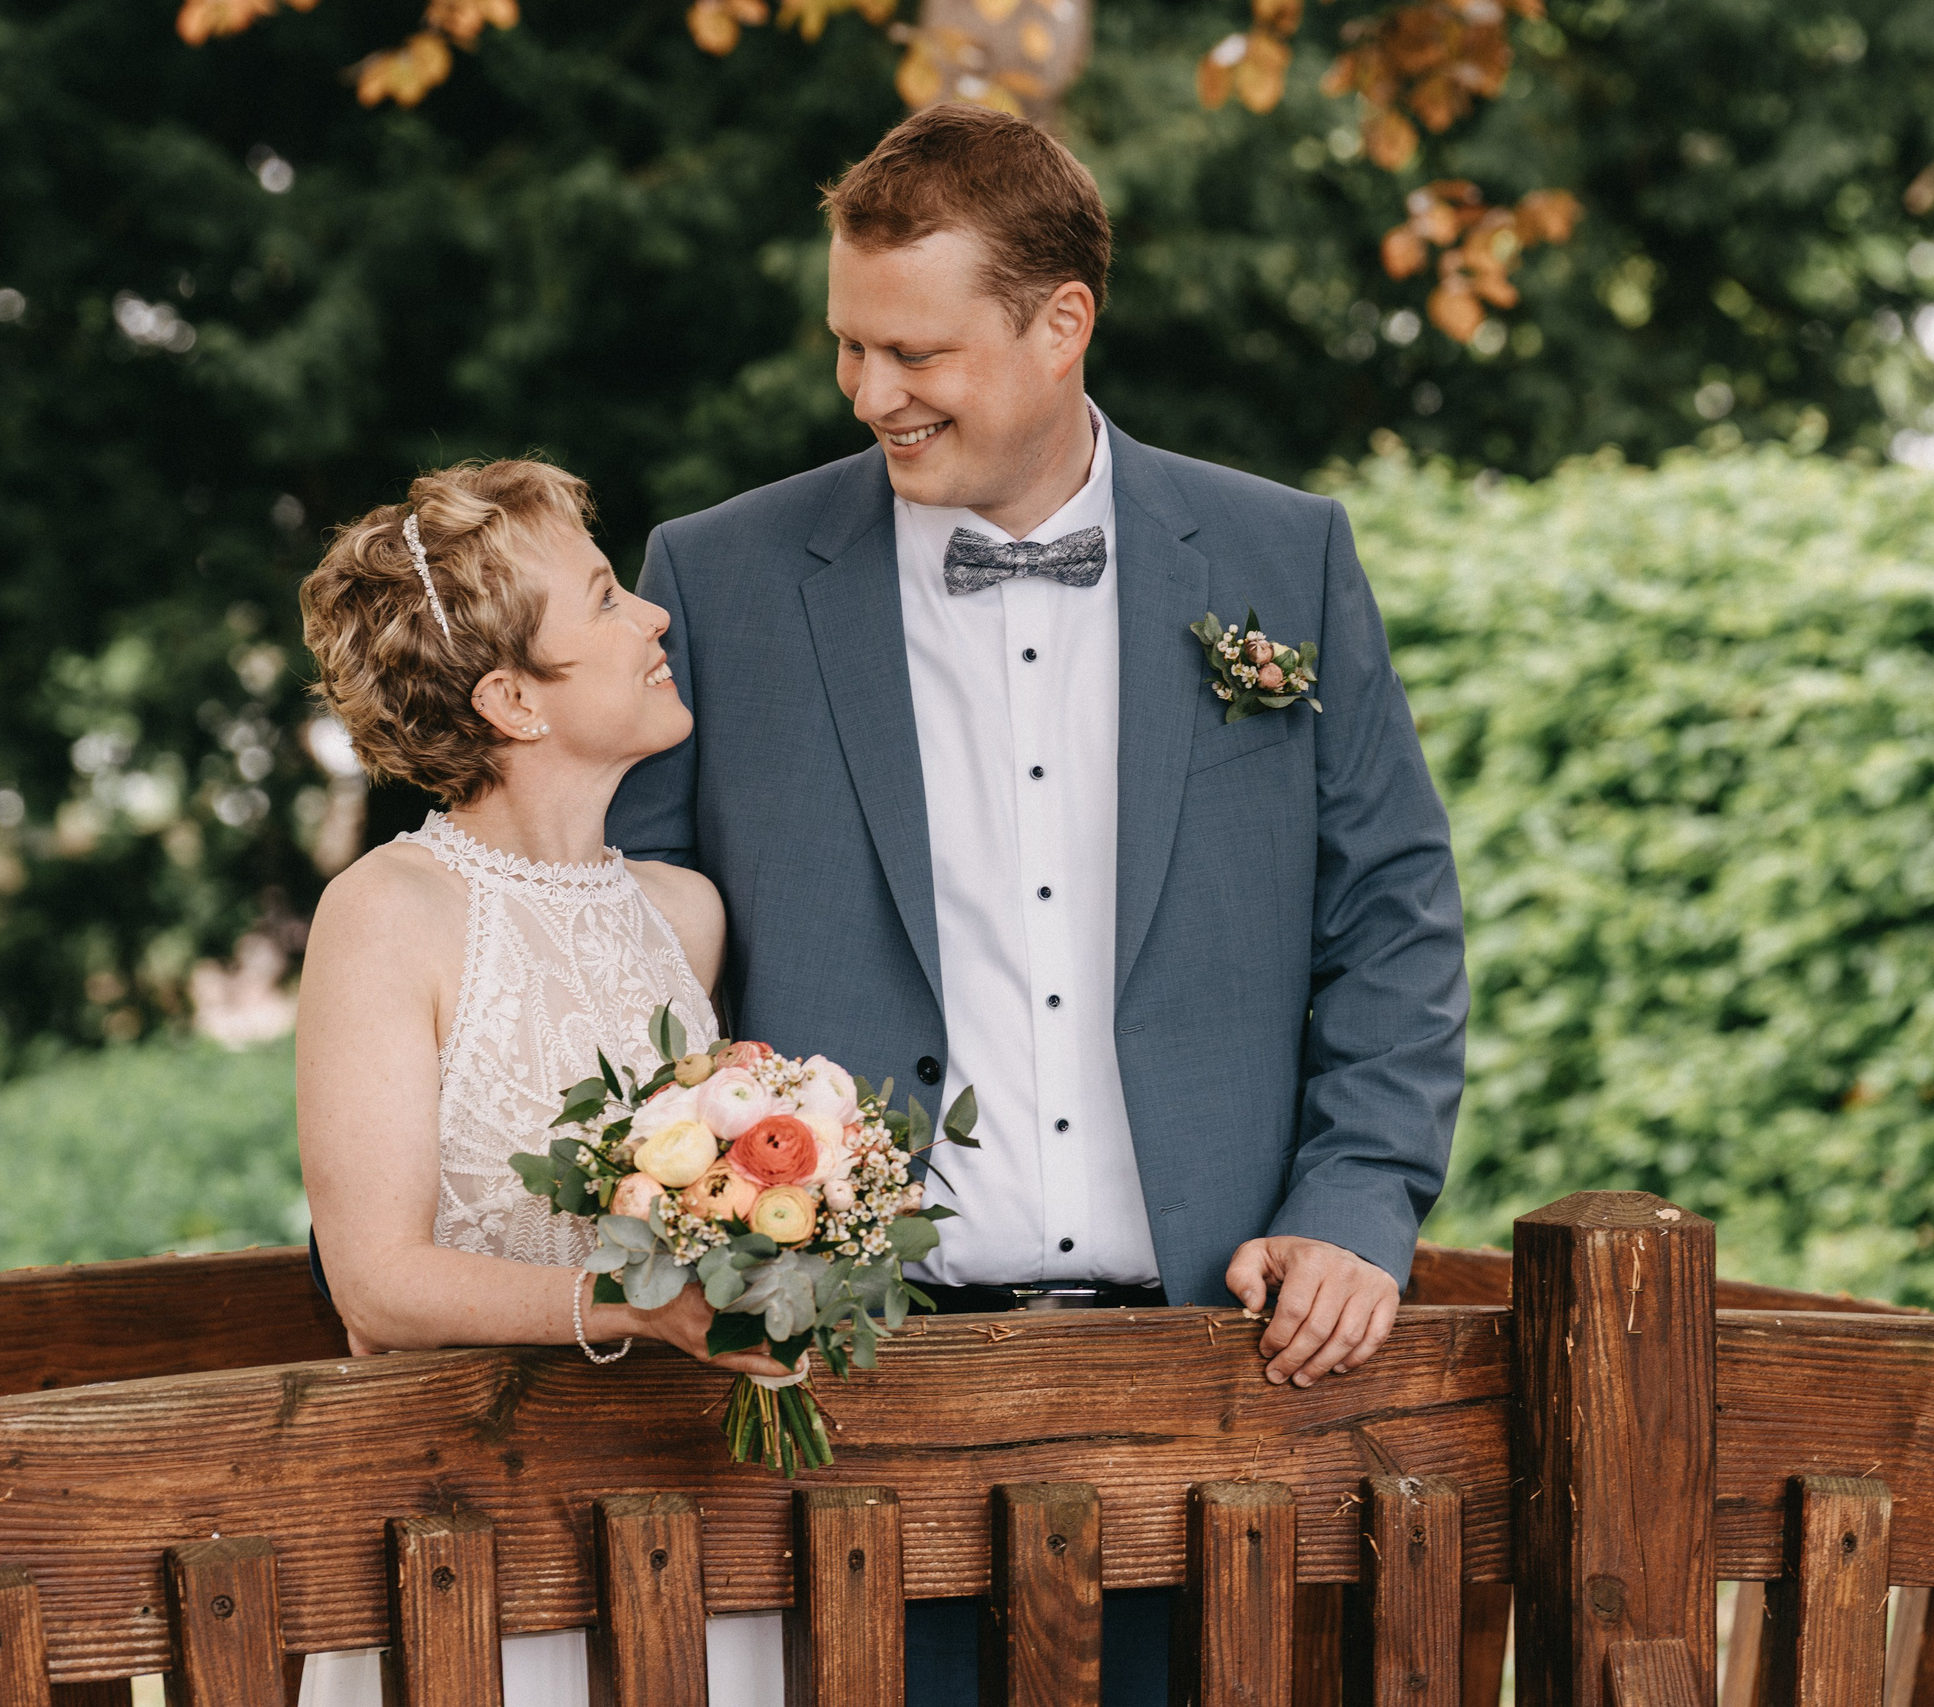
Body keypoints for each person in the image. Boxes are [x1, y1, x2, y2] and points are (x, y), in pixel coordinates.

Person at [605, 104, 1468, 1707]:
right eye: (849, 347)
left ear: (1062, 322)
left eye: (915, 350)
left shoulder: (1284, 555)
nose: (871, 393)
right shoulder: (717, 582)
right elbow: (621, 965)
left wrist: (1361, 1199)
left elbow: (1393, 915)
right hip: (855, 1402)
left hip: (1226, 1390)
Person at [289, 459, 790, 1705]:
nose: (655, 618)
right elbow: (376, 1282)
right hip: (472, 1544)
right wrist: (650, 1307)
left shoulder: (685, 916)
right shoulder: (386, 915)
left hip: (686, 1533)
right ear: (513, 697)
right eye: (609, 599)